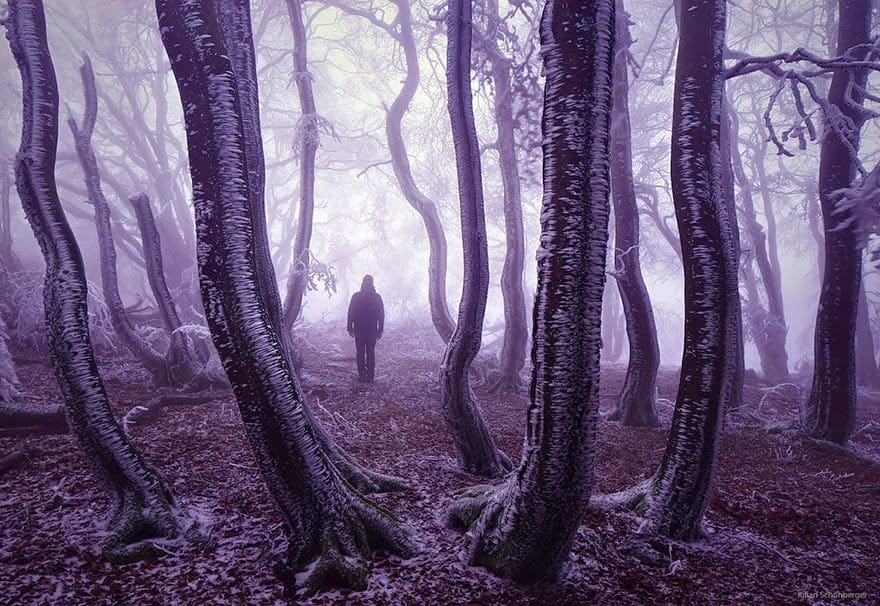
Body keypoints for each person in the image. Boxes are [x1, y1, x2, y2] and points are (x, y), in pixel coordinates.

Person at [347, 274, 384, 382]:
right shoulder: (377, 297)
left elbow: (351, 312)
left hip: (359, 329)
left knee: (360, 352)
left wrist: (349, 327)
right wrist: (380, 329)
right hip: (372, 329)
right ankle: (370, 376)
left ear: (362, 283)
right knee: (370, 352)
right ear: (372, 283)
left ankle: (362, 375)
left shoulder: (356, 296)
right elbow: (381, 314)